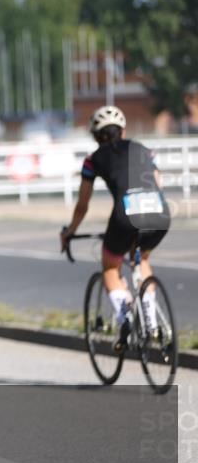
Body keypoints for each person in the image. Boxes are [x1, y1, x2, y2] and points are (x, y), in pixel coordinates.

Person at [61, 105, 171, 350]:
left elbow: (82, 205)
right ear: (122, 131)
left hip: (125, 216)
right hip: (159, 213)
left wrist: (70, 231)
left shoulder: (93, 160)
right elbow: (158, 183)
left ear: (95, 135)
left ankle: (125, 318)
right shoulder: (142, 149)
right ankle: (151, 321)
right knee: (142, 259)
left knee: (111, 265)